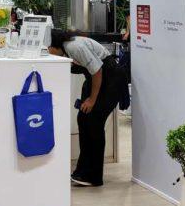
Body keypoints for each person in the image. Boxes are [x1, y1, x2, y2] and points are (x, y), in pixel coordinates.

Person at [49, 30, 128, 187]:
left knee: (93, 122)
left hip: (110, 79)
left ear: (54, 45)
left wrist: (92, 100)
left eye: (47, 48)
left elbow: (97, 71)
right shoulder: (65, 50)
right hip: (96, 80)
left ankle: (94, 176)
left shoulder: (74, 47)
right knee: (83, 119)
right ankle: (83, 171)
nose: (47, 51)